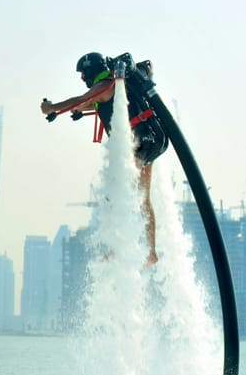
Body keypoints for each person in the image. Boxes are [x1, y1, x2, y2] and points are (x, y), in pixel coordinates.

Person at [40, 52, 169, 267]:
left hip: (139, 145)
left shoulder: (105, 86)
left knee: (113, 196)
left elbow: (82, 100)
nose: (82, 78)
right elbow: (88, 104)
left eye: (83, 74)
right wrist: (78, 111)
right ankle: (150, 252)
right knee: (143, 198)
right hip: (151, 140)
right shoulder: (113, 87)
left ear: (91, 71)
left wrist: (53, 107)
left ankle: (115, 250)